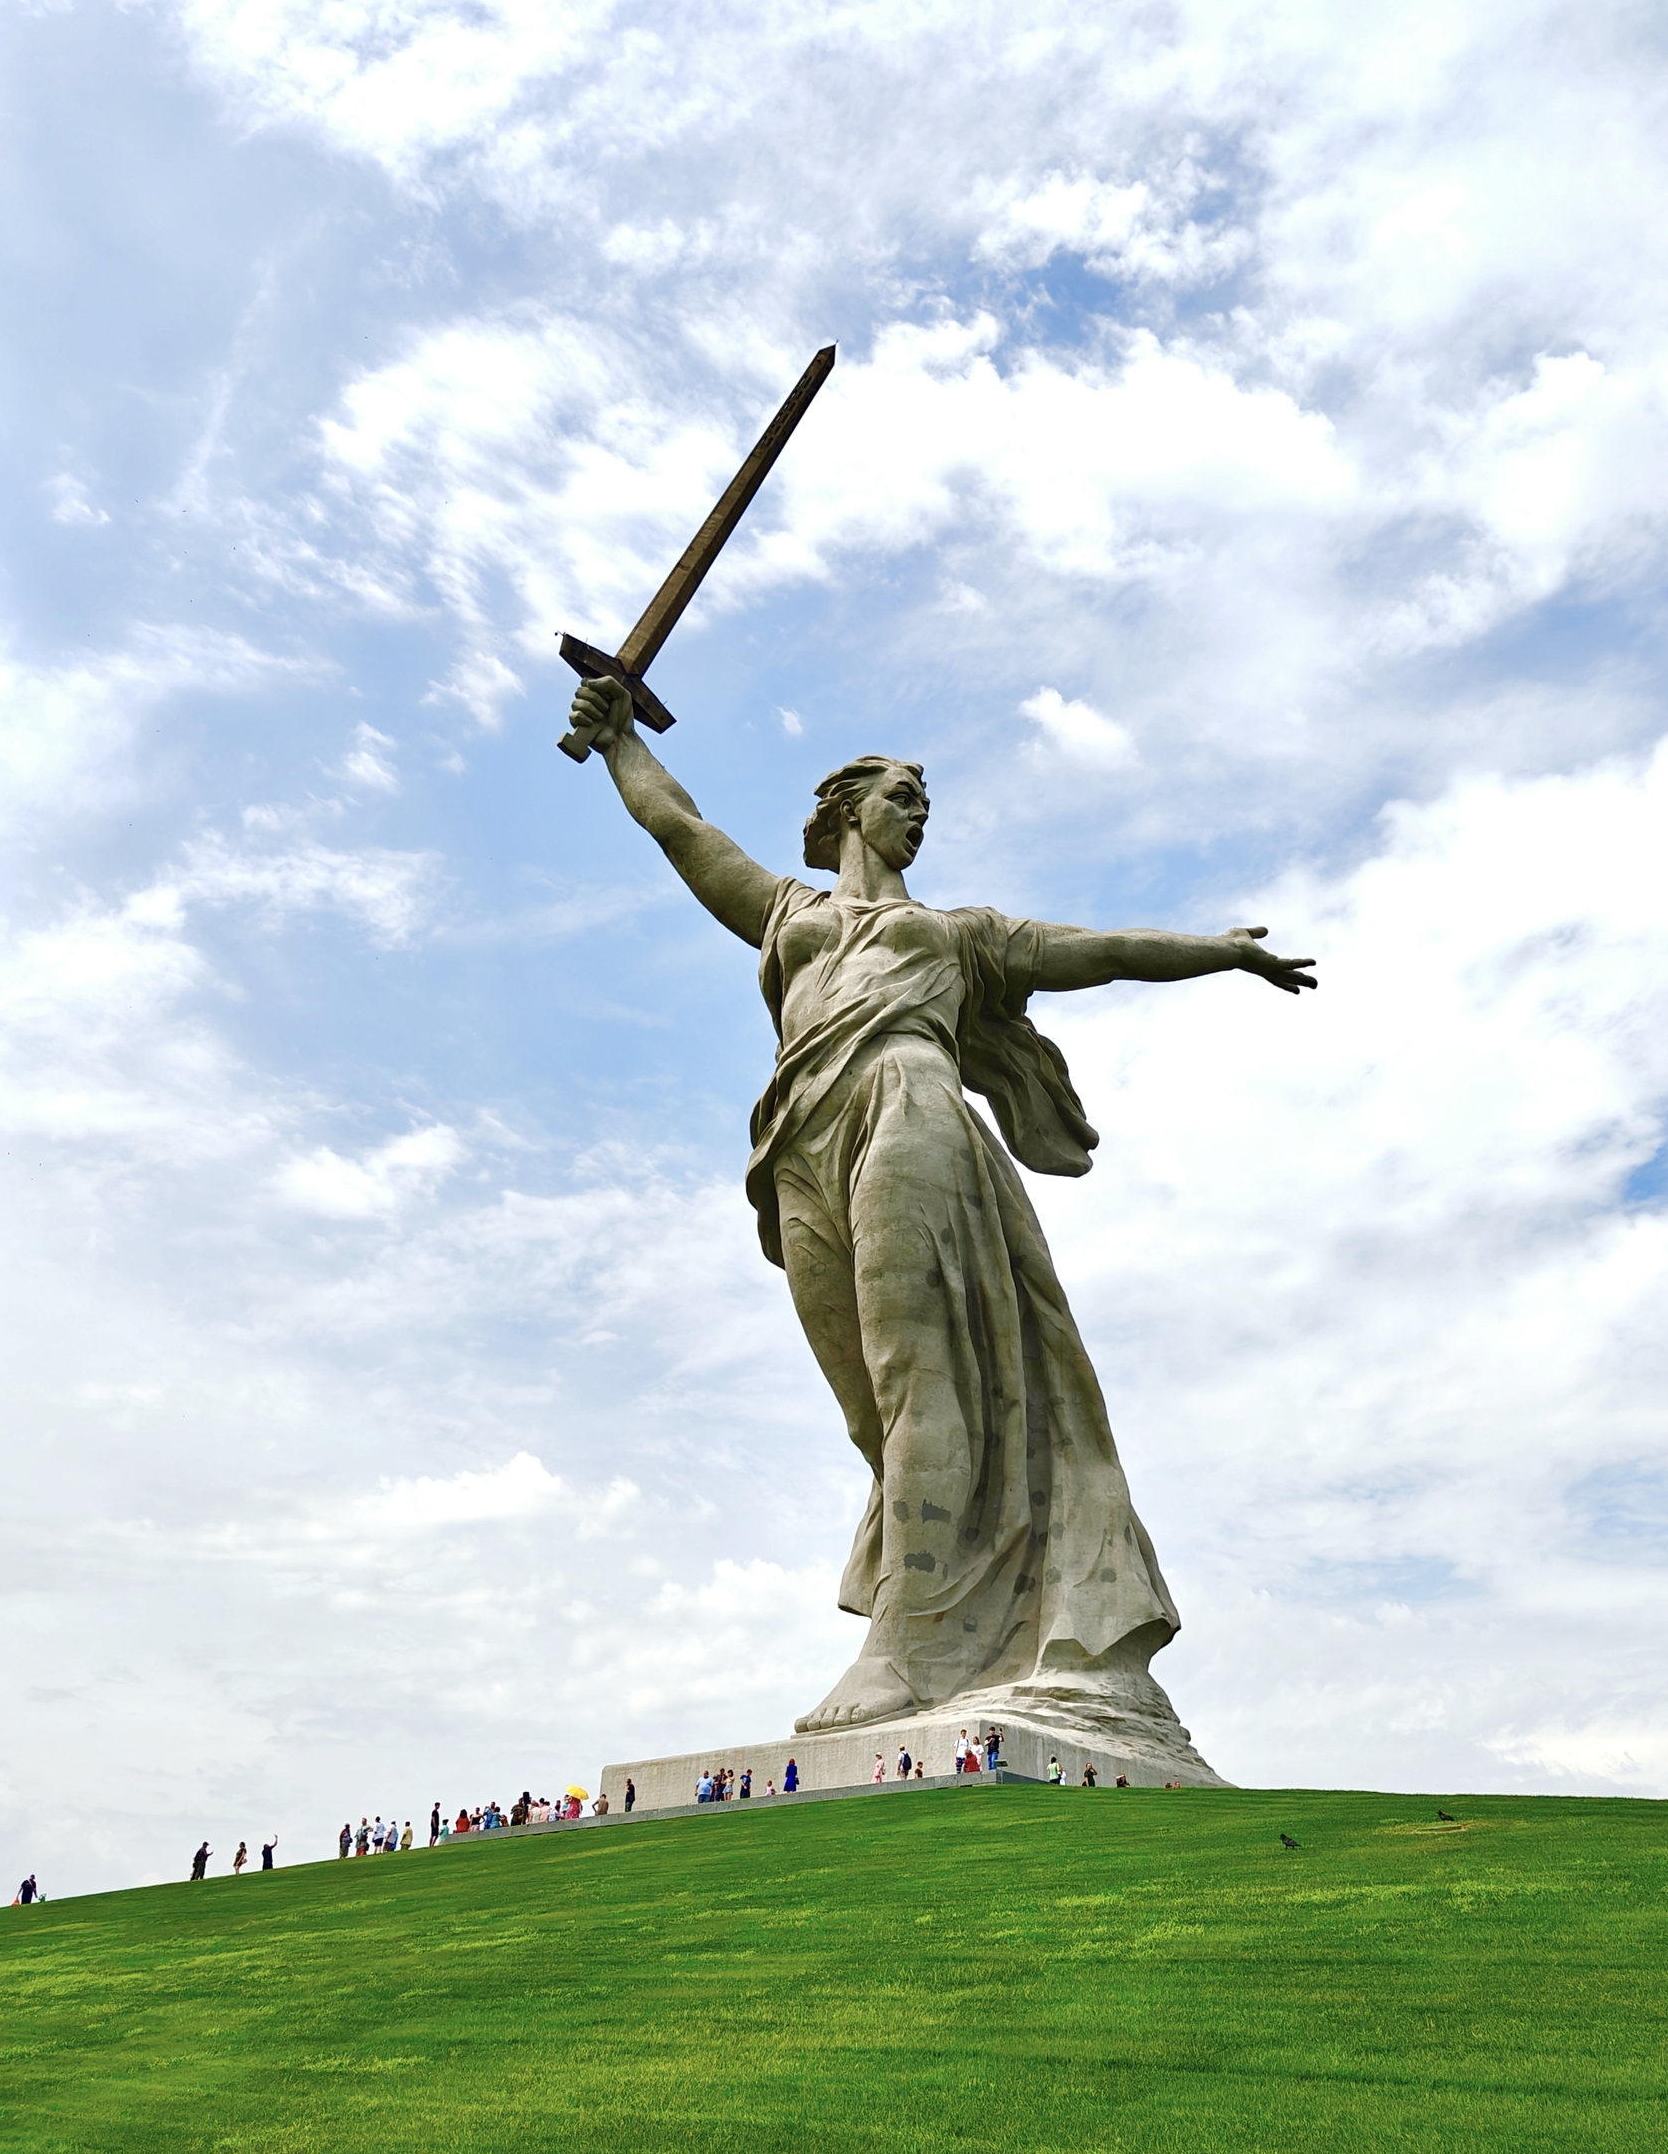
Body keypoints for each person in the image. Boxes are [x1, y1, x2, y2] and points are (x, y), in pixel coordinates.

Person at [561, 689, 1313, 1745]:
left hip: (907, 1101)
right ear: (848, 811)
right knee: (869, 1408)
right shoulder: (786, 914)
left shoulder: (957, 936)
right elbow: (680, 827)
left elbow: (1097, 950)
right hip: (797, 1139)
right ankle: (947, 1603)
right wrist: (617, 739)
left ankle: (904, 1650)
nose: (918, 815)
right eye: (903, 798)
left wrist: (1220, 950)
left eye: (924, 803)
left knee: (918, 1372)